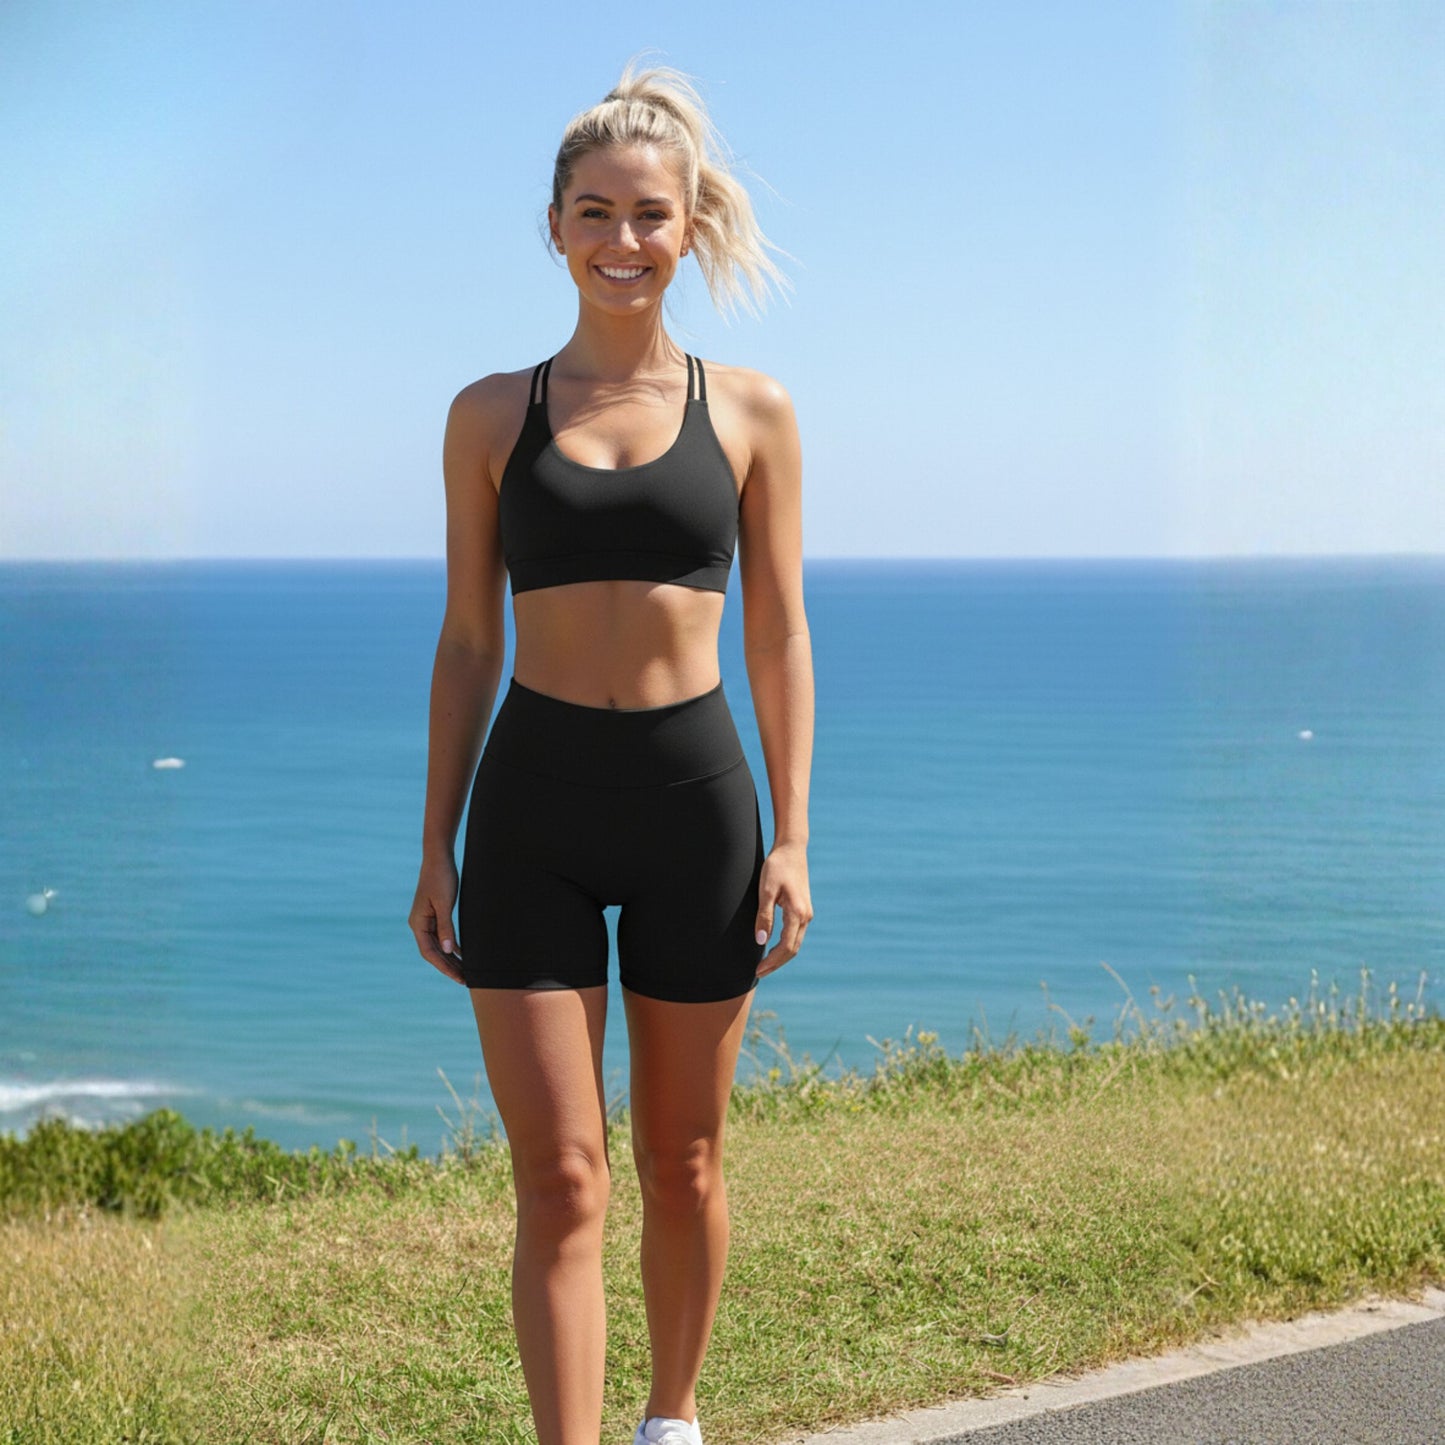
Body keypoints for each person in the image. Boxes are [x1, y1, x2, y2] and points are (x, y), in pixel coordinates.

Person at [407, 60, 815, 1445]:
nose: (623, 241)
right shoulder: (486, 415)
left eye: (650, 215)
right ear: (555, 226)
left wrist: (793, 833)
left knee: (682, 1158)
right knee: (562, 1177)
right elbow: (468, 641)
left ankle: (672, 1418)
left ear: (689, 225)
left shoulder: (751, 412)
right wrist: (434, 842)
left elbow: (778, 639)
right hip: (529, 809)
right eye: (595, 213)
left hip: (697, 804)